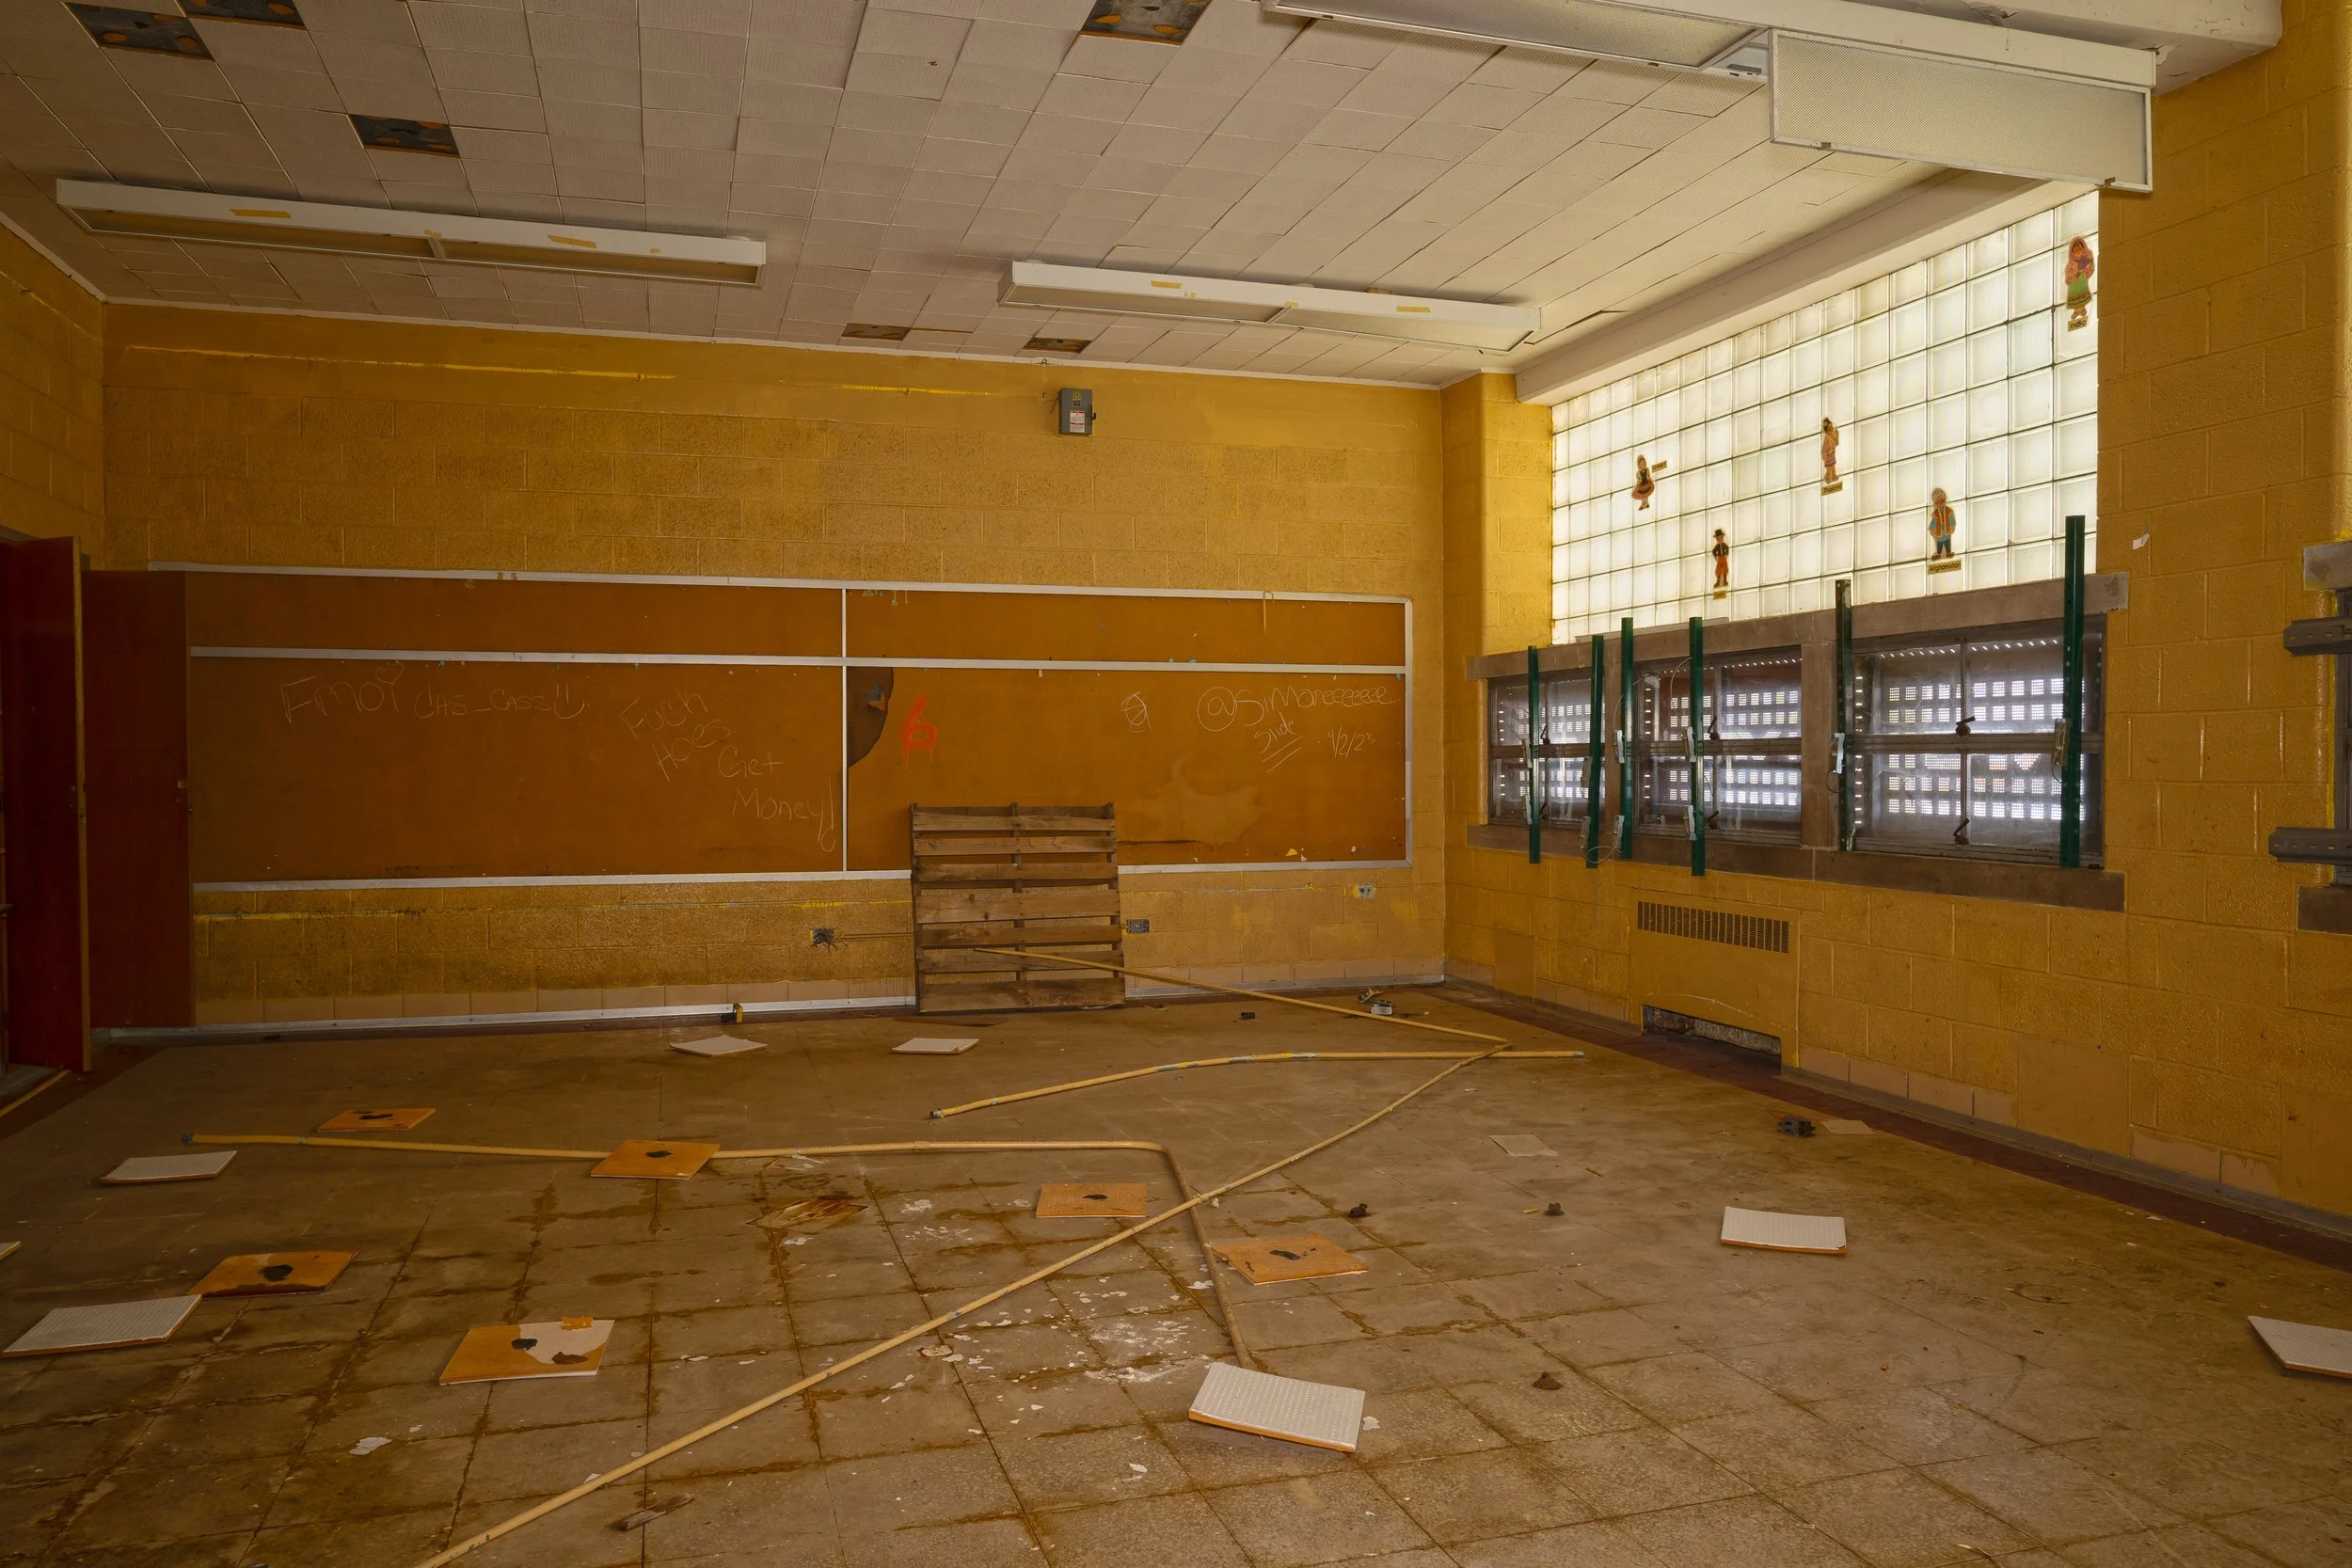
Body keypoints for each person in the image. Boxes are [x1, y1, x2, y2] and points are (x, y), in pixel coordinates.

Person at [2064, 237, 2094, 330]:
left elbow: (2090, 264)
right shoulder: (2071, 260)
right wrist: (2069, 276)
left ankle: (2082, 307)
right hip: (2074, 280)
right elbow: (2068, 269)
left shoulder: (2086, 255)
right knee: (2074, 293)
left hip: (2081, 277)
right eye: (2075, 247)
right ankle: (2076, 310)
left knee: (2082, 291)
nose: (2077, 248)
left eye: (2079, 246)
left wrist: (2085, 271)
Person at [1929, 487, 1958, 562]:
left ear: (1944, 500)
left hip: (1947, 532)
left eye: (1942, 500)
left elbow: (1951, 519)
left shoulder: (1949, 510)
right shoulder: (1935, 513)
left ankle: (1948, 552)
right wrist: (1932, 529)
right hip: (1939, 533)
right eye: (1938, 501)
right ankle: (1938, 554)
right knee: (1939, 544)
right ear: (1936, 502)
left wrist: (1952, 526)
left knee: (1947, 542)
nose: (1941, 502)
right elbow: (1934, 522)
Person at [1819, 418, 1841, 493]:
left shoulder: (1832, 434)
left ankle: (1834, 476)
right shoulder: (1828, 435)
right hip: (1827, 453)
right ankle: (1827, 478)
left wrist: (1837, 434)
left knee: (1833, 465)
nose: (1830, 427)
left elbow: (1836, 443)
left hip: (1831, 452)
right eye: (1829, 426)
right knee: (1829, 467)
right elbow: (1834, 443)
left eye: (1831, 426)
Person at [1710, 528, 1729, 593]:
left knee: (1725, 568)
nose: (1719, 539)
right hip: (1719, 558)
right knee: (1718, 568)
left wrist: (1726, 555)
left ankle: (1725, 580)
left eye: (1721, 538)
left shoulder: (1725, 545)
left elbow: (1727, 549)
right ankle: (1718, 581)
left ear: (1722, 538)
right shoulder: (1716, 547)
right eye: (1718, 538)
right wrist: (1716, 557)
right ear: (1716, 539)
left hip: (1724, 557)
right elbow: (1713, 551)